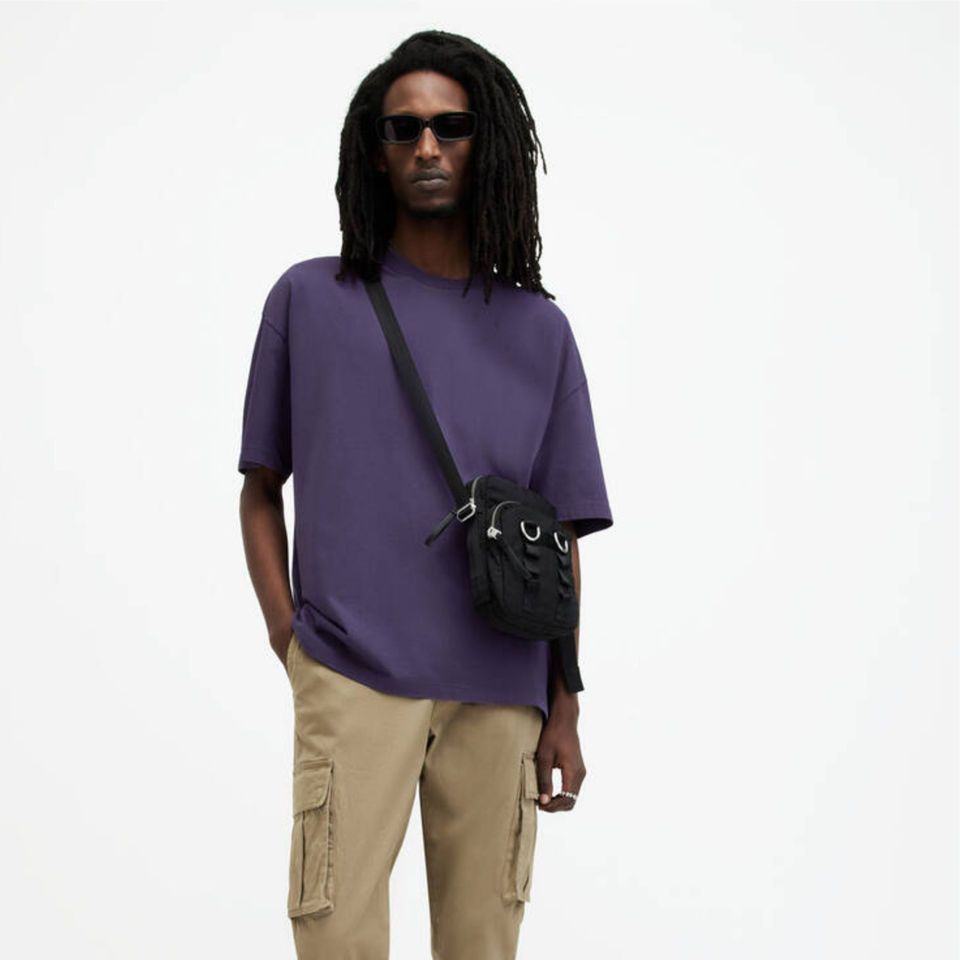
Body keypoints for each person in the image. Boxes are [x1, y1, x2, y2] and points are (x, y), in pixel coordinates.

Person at [237, 29, 614, 960]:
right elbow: (260, 489)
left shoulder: (540, 330)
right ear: (375, 150)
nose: (428, 147)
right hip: (352, 670)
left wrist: (564, 704)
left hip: (502, 689)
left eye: (451, 126)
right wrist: (294, 644)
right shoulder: (309, 301)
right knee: (335, 936)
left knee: (483, 945)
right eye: (403, 129)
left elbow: (560, 538)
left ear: (488, 144)